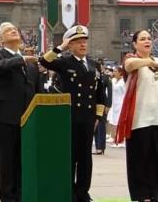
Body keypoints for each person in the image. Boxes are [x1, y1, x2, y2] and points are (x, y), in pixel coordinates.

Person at [39, 25, 106, 202]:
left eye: (85, 41)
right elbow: (44, 61)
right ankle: (68, 192)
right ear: (71, 45)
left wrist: (98, 117)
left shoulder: (94, 65)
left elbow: (100, 94)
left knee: (85, 158)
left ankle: (83, 192)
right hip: (69, 117)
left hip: (88, 117)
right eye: (78, 42)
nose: (83, 45)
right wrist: (61, 47)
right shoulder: (65, 62)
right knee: (70, 156)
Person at [115, 30, 158, 202]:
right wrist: (147, 61)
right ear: (135, 44)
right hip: (139, 118)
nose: (147, 41)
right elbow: (129, 66)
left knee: (155, 159)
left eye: (149, 38)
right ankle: (141, 196)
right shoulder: (130, 59)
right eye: (142, 39)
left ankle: (155, 194)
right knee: (139, 159)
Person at [0, 22, 40, 202]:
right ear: (1, 38)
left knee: (24, 163)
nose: (14, 30)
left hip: (28, 120)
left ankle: (22, 196)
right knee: (7, 163)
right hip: (5, 120)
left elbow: (38, 92)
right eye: (8, 30)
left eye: (15, 29)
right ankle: (8, 198)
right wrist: (23, 59)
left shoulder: (31, 64)